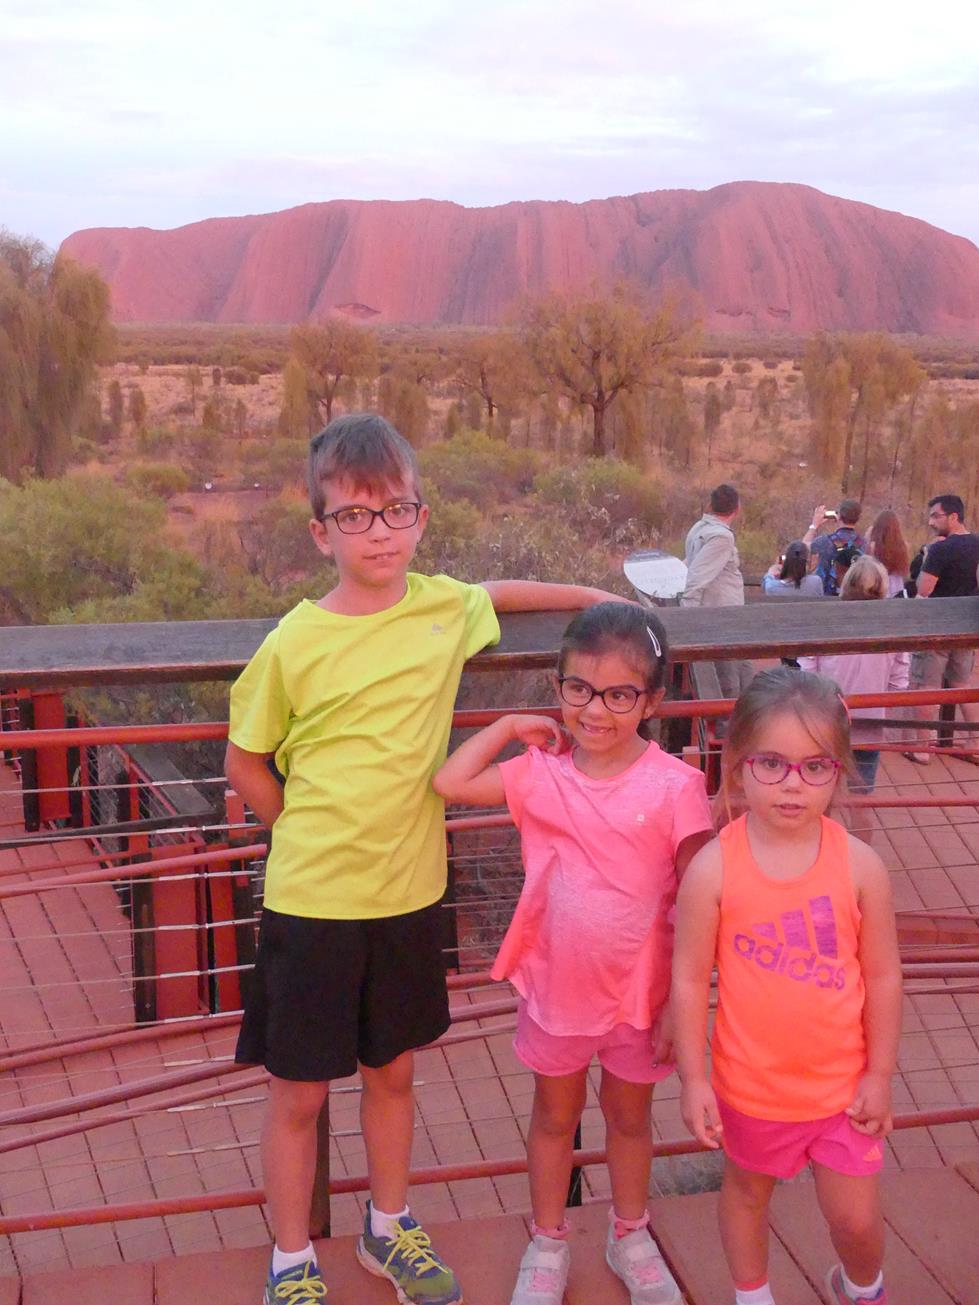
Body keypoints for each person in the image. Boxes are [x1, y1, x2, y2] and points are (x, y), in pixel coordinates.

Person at [226, 413, 625, 1305]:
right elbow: (244, 760)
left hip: (409, 891)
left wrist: (603, 596)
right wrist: (297, 830)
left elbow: (501, 590)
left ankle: (386, 1227)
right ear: (320, 530)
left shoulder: (444, 607)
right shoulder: (295, 639)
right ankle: (291, 1258)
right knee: (297, 1093)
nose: (381, 532)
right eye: (357, 516)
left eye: (397, 511)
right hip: (312, 896)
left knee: (393, 1073)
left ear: (421, 517)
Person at [434, 603, 713, 1305]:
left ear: (650, 700)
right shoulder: (539, 773)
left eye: (620, 694)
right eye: (578, 689)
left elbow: (700, 901)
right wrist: (501, 726)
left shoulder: (678, 787)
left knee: (628, 1117)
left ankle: (629, 1232)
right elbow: (450, 783)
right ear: (557, 688)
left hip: (641, 995)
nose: (595, 709)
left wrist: (688, 1004)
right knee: (554, 1117)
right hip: (558, 990)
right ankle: (548, 1237)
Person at [673, 668, 902, 1305]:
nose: (792, 785)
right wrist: (694, 1078)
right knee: (747, 1197)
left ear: (839, 770)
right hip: (751, 1088)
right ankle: (753, 1295)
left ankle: (863, 1287)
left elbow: (883, 976)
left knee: (854, 1219)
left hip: (842, 1090)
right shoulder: (713, 869)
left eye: (814, 767)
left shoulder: (861, 866)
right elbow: (689, 982)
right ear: (739, 763)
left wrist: (879, 1074)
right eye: (771, 764)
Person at [799, 558, 910, 793]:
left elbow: (807, 671)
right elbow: (899, 682)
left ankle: (826, 829)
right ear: (882, 588)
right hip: (871, 720)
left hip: (828, 719)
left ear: (847, 583)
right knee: (861, 796)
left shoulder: (824, 622)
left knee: (822, 791)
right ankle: (859, 829)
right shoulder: (894, 628)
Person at [906, 494, 979, 764]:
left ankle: (923, 748)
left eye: (936, 516)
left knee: (926, 685)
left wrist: (927, 556)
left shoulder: (940, 550)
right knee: (962, 684)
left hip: (936, 625)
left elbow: (924, 589)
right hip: (967, 625)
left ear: (953, 517)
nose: (931, 521)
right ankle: (974, 742)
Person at [681, 484, 752, 698]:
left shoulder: (699, 528)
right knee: (729, 680)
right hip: (722, 617)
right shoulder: (721, 537)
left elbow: (690, 565)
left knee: (743, 670)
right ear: (737, 508)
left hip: (723, 614)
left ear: (710, 504)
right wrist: (686, 615)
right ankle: (728, 726)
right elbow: (697, 576)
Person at [803, 500, 866, 596]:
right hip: (855, 596)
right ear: (858, 518)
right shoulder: (864, 543)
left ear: (838, 516)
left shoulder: (825, 541)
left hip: (827, 597)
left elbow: (802, 548)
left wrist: (814, 525)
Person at [865, 510, 910, 598]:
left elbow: (868, 568)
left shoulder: (873, 546)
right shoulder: (904, 545)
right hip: (898, 586)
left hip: (879, 585)